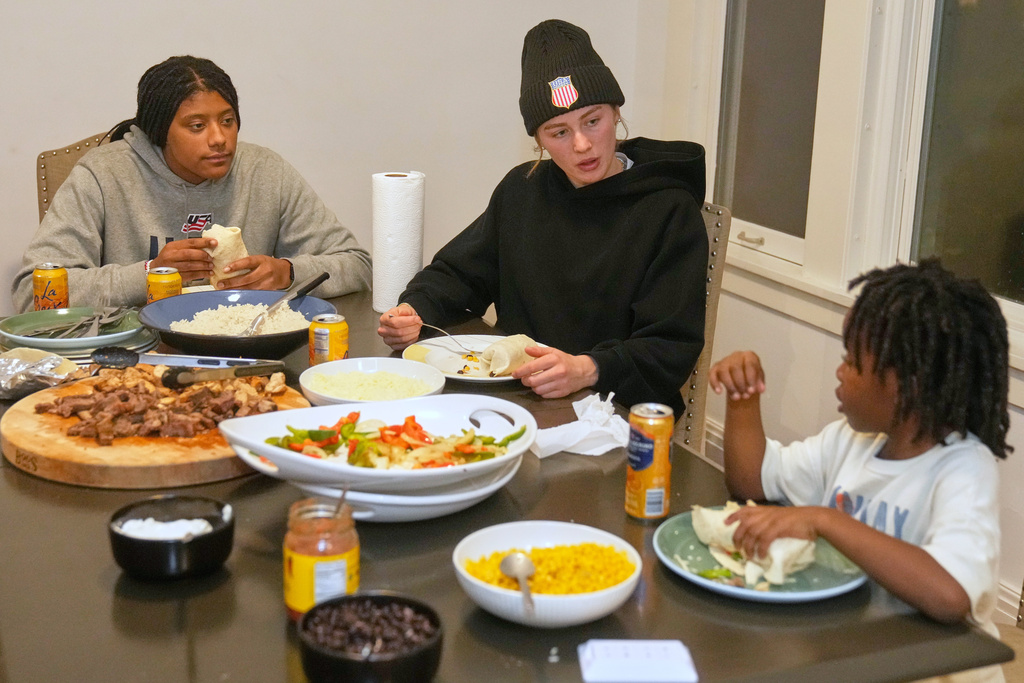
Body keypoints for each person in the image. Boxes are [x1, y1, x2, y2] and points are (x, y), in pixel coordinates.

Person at [377, 20, 708, 414]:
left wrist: (587, 369)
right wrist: (416, 309)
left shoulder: (667, 209)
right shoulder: (523, 189)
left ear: (616, 112)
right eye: (559, 132)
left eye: (593, 120)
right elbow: (459, 274)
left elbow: (670, 346)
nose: (582, 145)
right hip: (519, 400)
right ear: (537, 138)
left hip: (618, 414)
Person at [709, 260, 1009, 680]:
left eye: (852, 361)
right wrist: (743, 398)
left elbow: (950, 595)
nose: (840, 370)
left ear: (907, 384)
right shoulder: (848, 442)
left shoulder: (963, 468)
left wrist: (824, 520)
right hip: (859, 653)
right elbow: (751, 480)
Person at [12, 56, 371, 312]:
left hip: (244, 352)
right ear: (159, 131)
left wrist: (287, 273)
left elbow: (356, 264)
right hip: (134, 357)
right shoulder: (102, 175)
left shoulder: (265, 171)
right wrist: (149, 276)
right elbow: (32, 291)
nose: (219, 139)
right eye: (197, 126)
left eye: (228, 120)